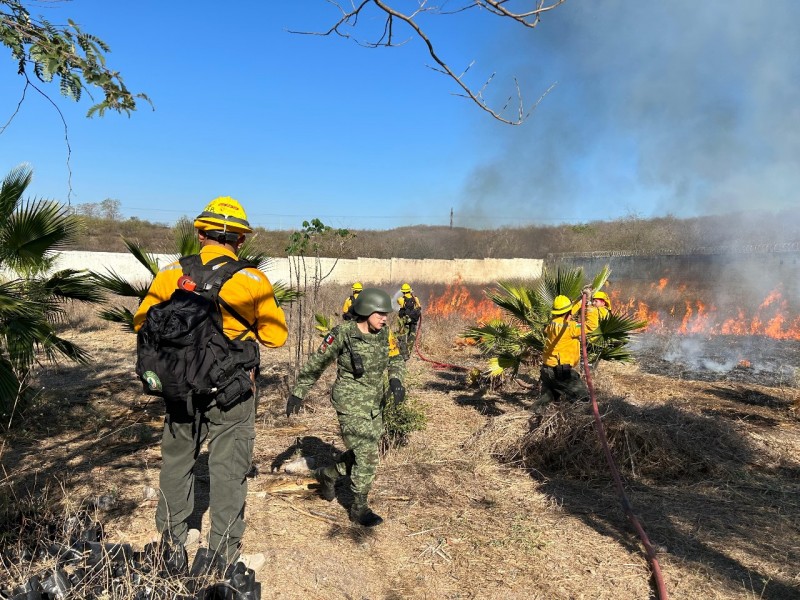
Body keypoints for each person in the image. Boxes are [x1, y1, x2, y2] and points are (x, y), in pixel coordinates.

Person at [133, 196, 288, 570]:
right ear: (240, 240)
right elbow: (276, 337)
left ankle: (171, 541)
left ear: (200, 234)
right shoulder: (252, 279)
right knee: (228, 470)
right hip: (231, 392)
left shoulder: (171, 274)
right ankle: (222, 553)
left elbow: (142, 322)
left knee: (177, 461)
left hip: (179, 388)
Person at [285, 288, 406, 527]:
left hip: (374, 403)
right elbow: (317, 363)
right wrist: (299, 392)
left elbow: (395, 359)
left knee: (360, 454)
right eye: (380, 313)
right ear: (366, 311)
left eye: (386, 314)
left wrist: (396, 379)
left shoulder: (385, 334)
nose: (384, 318)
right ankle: (359, 509)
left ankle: (327, 475)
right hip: (350, 403)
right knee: (368, 456)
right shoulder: (343, 334)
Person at [533, 294, 589, 413]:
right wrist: (591, 308)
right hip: (560, 372)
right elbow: (590, 326)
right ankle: (577, 422)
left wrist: (580, 301)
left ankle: (535, 415)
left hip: (547, 370)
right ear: (569, 313)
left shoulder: (552, 323)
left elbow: (567, 314)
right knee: (582, 398)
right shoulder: (571, 327)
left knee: (547, 398)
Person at [397, 283, 422, 357]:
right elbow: (419, 307)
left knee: (402, 336)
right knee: (411, 337)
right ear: (410, 291)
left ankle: (403, 353)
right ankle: (408, 353)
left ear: (403, 292)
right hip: (413, 321)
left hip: (403, 321)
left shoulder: (401, 299)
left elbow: (399, 304)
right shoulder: (416, 299)